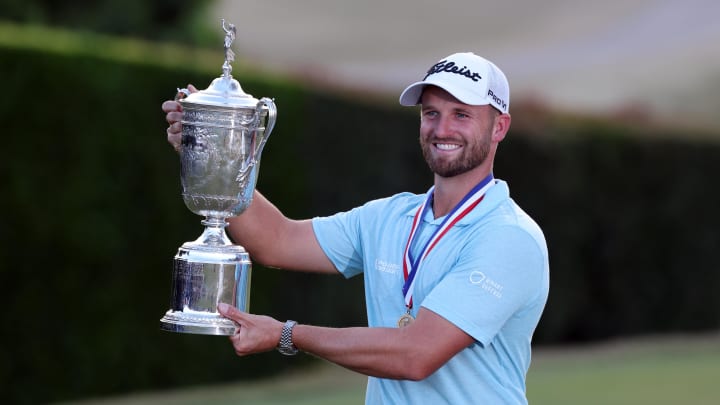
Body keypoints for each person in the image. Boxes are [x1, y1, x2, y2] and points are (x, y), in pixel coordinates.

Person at [163, 52, 549, 404]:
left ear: (500, 127)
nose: (442, 128)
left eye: (461, 114)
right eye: (431, 113)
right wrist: (212, 151)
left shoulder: (509, 236)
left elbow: (415, 354)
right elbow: (277, 240)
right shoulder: (389, 217)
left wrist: (287, 333)